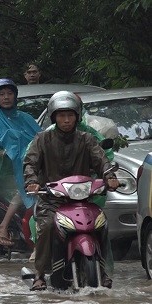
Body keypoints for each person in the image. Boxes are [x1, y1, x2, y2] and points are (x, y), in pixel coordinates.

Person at [24, 91, 119, 291]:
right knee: (48, 226)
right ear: (54, 117)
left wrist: (109, 176)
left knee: (100, 224)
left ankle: (104, 272)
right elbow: (30, 163)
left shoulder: (87, 139)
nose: (66, 120)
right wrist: (32, 182)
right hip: (52, 200)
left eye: (70, 115)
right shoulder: (43, 139)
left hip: (82, 200)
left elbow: (101, 159)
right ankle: (40, 274)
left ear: (77, 116)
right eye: (61, 116)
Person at [0, 78, 42, 245]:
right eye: (2, 94)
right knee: (23, 190)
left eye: (9, 93)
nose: (6, 97)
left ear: (15, 96)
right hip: (0, 169)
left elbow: (41, 137)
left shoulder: (24, 117)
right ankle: (2, 227)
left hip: (26, 166)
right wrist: (2, 144)